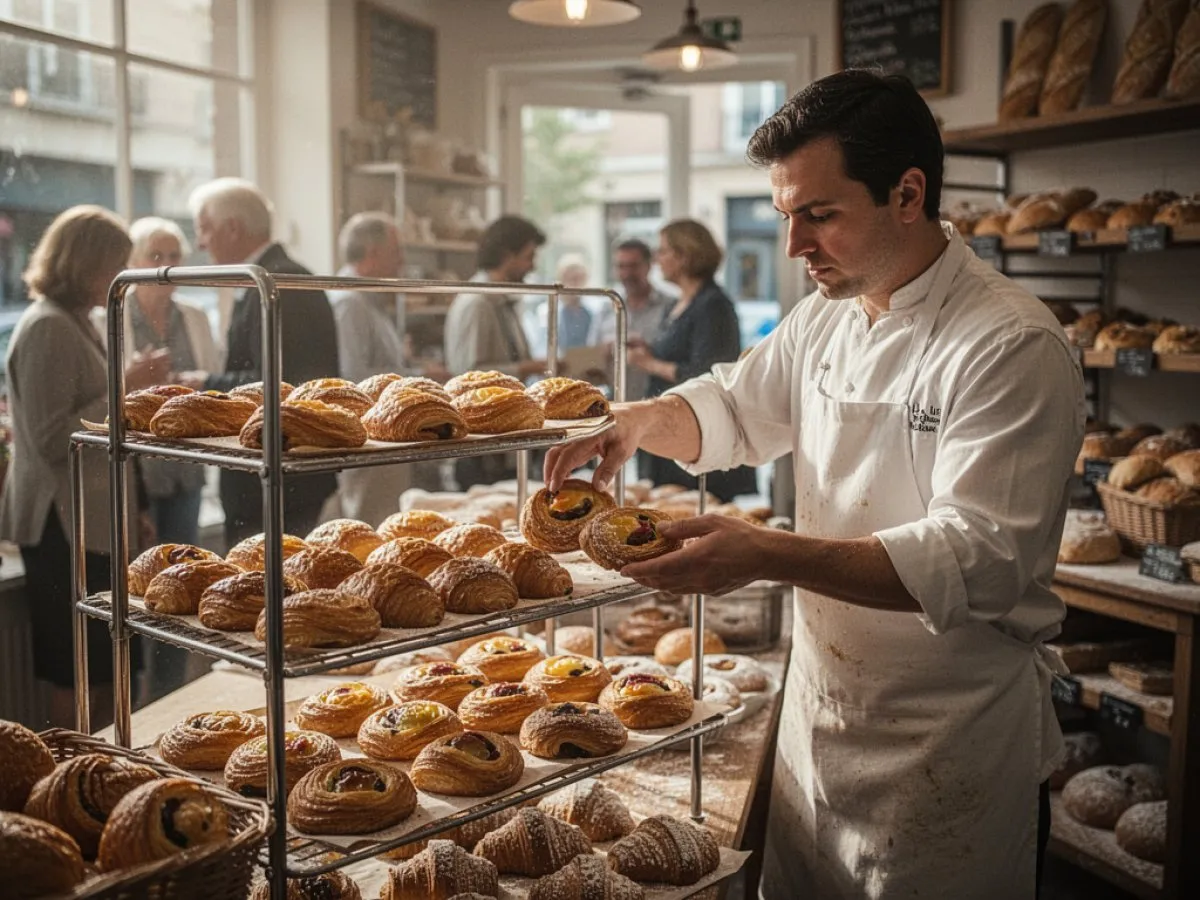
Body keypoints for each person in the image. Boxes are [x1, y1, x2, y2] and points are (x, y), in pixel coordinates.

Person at [544, 71, 1085, 899]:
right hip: (819, 721)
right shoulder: (830, 314)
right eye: (785, 217)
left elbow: (981, 562)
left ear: (908, 194)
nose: (794, 246)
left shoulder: (1008, 343)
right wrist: (639, 420)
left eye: (819, 216)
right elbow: (733, 404)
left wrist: (764, 552)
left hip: (951, 742)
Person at [0, 206, 166, 726]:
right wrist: (127, 389)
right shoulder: (49, 326)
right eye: (113, 263)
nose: (120, 277)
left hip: (90, 521)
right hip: (62, 528)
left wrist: (132, 507)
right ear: (84, 263)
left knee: (101, 665)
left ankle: (99, 777)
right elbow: (53, 438)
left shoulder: (76, 320)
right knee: (76, 671)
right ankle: (77, 780)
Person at [175, 178, 339, 545]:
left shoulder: (276, 281)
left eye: (204, 229)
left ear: (233, 228)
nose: (200, 243)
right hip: (280, 471)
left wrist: (206, 384)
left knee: (268, 590)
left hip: (280, 477)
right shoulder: (271, 276)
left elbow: (282, 383)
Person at [626, 219, 756, 502]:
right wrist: (649, 349)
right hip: (670, 429)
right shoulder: (678, 303)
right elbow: (680, 351)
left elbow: (709, 373)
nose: (657, 259)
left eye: (662, 251)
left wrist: (649, 364)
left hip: (698, 432)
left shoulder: (714, 305)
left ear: (684, 256)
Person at [328, 212, 444, 524]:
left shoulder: (370, 302)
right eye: (397, 252)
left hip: (385, 436)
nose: (401, 261)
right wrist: (417, 380)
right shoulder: (349, 304)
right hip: (368, 440)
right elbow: (353, 380)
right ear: (373, 253)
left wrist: (414, 372)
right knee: (369, 531)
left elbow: (380, 367)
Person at [119, 217, 221, 545]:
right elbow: (106, 392)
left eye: (174, 256)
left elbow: (213, 379)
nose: (167, 265)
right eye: (156, 255)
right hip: (138, 470)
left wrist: (195, 385)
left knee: (183, 559)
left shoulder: (196, 316)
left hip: (187, 466)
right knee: (140, 565)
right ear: (134, 261)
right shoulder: (111, 315)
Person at [444, 215, 549, 488]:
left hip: (501, 441)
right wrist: (527, 368)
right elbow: (468, 375)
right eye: (528, 256)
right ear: (506, 255)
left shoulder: (501, 300)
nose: (532, 265)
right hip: (482, 447)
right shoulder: (476, 303)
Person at [588, 238, 670, 402]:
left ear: (649, 266)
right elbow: (590, 360)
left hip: (659, 403)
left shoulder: (670, 306)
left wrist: (648, 350)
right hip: (613, 404)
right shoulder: (606, 307)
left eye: (633, 266)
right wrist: (605, 352)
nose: (626, 274)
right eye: (621, 267)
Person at [552, 254, 592, 351]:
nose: (576, 284)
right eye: (572, 279)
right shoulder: (549, 312)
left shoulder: (591, 312)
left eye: (580, 279)